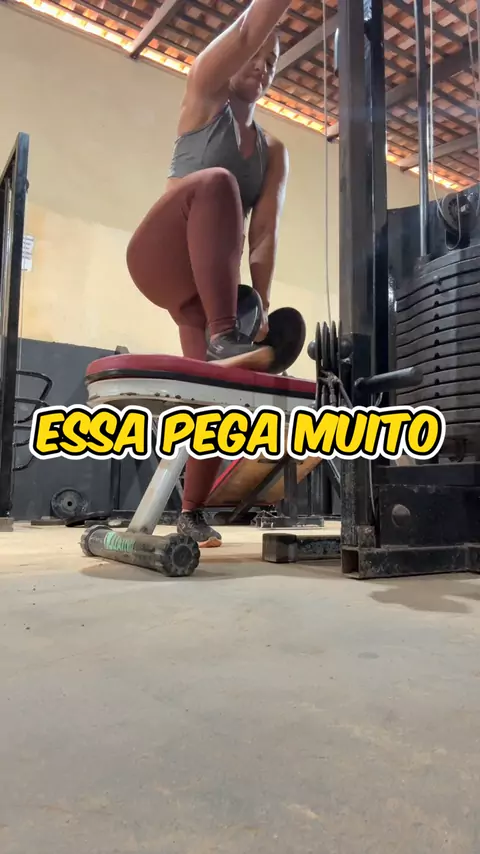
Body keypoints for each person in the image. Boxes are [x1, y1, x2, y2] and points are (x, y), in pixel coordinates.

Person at [126, 0, 291, 547]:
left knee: (213, 396)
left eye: (273, 62)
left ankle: (191, 512)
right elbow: (248, 30)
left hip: (207, 289)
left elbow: (263, 235)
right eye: (258, 54)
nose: (262, 65)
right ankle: (224, 335)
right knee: (218, 182)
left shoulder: (273, 150)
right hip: (162, 256)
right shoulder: (203, 92)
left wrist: (259, 306)